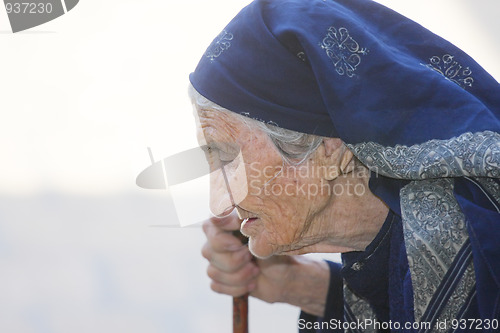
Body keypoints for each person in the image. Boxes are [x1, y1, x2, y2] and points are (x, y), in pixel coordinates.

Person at [189, 0, 500, 331]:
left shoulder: (473, 241)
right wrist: (300, 285)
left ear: (330, 148)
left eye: (226, 157)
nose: (217, 202)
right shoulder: (421, 241)